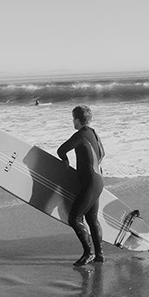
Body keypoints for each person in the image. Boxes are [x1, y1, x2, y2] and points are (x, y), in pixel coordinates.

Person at [57, 105, 105, 266]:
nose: (73, 121)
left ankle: (89, 253)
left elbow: (61, 150)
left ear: (78, 119)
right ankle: (99, 255)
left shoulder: (80, 135)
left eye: (73, 118)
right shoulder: (94, 134)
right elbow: (103, 154)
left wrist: (65, 160)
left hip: (90, 183)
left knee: (74, 218)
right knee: (92, 219)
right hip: (98, 181)